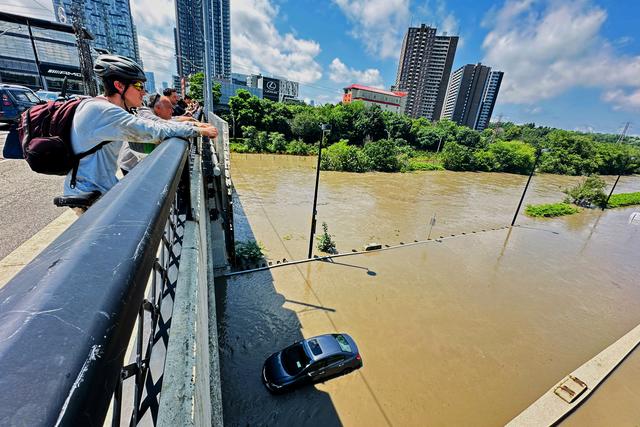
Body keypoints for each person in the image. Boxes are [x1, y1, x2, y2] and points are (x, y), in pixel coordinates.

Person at [64, 55, 217, 204]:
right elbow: (152, 130)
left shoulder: (109, 108)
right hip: (89, 193)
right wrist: (198, 131)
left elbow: (157, 123)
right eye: (139, 86)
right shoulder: (104, 111)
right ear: (119, 86)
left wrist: (193, 125)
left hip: (100, 187)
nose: (143, 92)